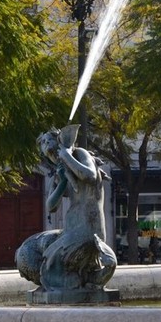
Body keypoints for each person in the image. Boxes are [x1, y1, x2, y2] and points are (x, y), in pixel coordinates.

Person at [37, 125, 117, 292]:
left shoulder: (79, 154)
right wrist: (62, 182)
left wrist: (67, 155)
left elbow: (90, 176)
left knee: (52, 260)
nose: (46, 144)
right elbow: (51, 207)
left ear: (59, 141)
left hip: (88, 228)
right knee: (37, 247)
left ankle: (75, 284)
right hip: (71, 229)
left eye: (49, 140)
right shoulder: (59, 171)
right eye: (43, 143)